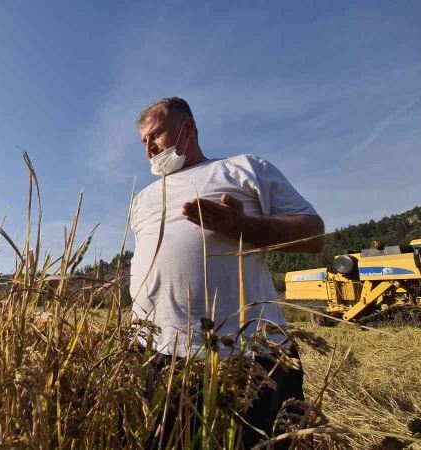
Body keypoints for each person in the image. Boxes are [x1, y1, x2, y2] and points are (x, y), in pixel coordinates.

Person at [129, 97, 324, 448]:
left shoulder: (244, 169)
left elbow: (314, 233)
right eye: (143, 141)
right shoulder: (142, 198)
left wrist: (242, 225)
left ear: (188, 128)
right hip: (162, 355)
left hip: (250, 355)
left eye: (156, 135)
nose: (149, 148)